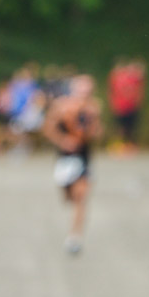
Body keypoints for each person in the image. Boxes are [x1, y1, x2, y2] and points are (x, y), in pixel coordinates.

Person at [42, 74, 103, 255]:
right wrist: (62, 141)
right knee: (68, 196)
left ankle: (75, 237)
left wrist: (94, 131)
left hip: (84, 157)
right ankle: (74, 228)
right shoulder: (61, 106)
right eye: (81, 89)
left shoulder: (94, 108)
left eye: (88, 90)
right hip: (64, 158)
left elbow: (97, 133)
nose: (84, 93)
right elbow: (48, 128)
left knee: (81, 196)